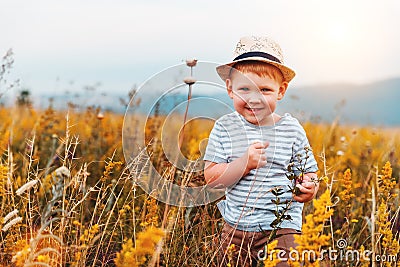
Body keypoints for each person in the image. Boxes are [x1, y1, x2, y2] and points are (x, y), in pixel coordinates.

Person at [203, 36, 319, 267]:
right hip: (236, 228)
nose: (254, 98)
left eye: (265, 89)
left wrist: (309, 188)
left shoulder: (291, 129)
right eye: (245, 89)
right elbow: (212, 178)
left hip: (282, 227)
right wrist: (243, 163)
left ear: (281, 91)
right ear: (230, 89)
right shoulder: (224, 128)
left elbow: (309, 172)